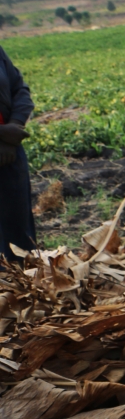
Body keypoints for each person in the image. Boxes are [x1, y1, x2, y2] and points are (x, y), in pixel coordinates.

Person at [0, 45, 36, 262]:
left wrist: (15, 125)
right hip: (7, 141)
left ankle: (23, 287)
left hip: (10, 153)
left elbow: (19, 88)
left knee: (18, 227)